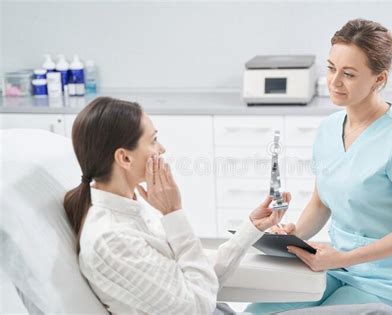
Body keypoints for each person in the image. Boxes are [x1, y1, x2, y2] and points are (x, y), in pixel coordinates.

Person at [247, 18, 392, 315]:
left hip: (390, 284)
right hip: (338, 271)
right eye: (330, 68)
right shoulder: (329, 128)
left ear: (379, 80)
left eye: (349, 74)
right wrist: (293, 234)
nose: (334, 82)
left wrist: (342, 258)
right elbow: (321, 202)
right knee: (257, 312)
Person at [63, 96, 290, 314]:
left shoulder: (131, 211)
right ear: (124, 158)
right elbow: (197, 305)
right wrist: (173, 213)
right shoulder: (111, 239)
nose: (162, 149)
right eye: (153, 140)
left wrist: (252, 228)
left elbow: (200, 276)